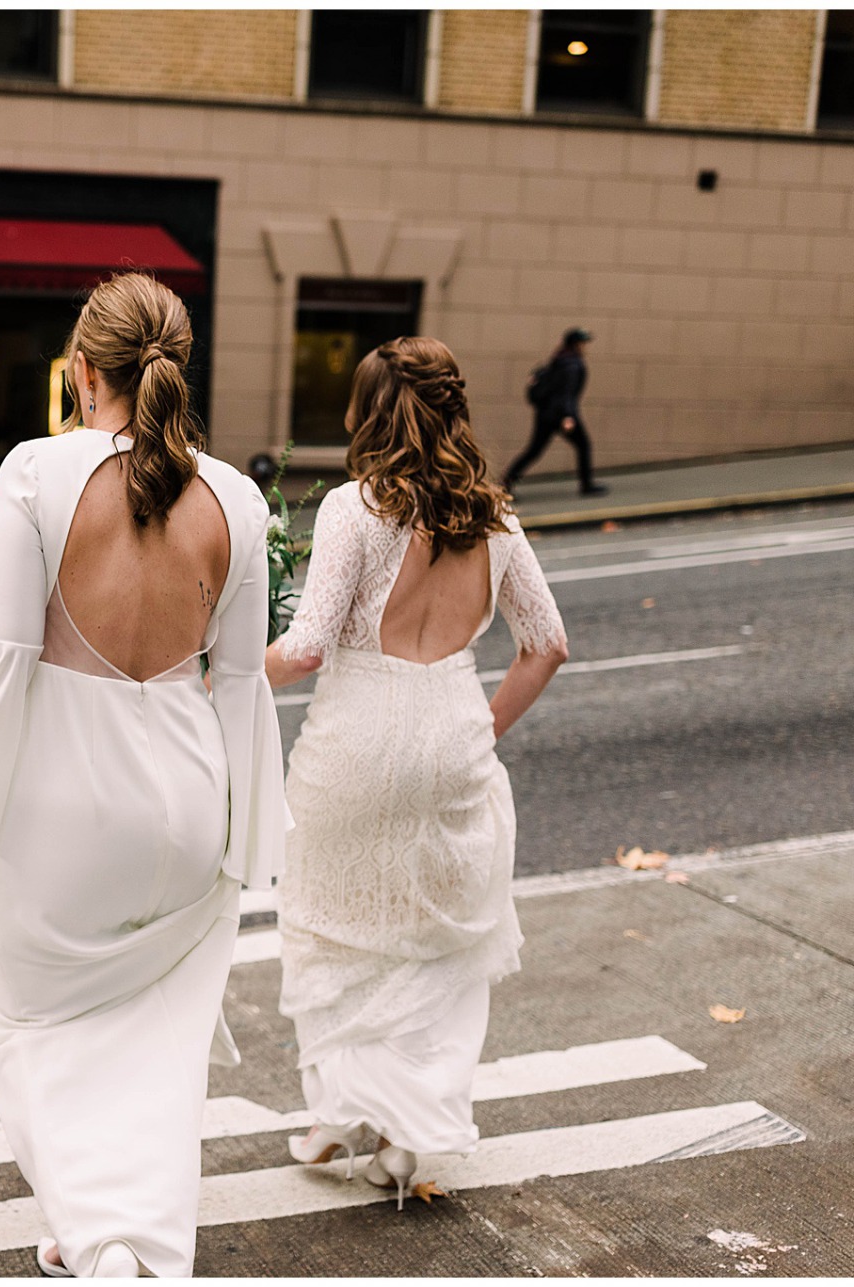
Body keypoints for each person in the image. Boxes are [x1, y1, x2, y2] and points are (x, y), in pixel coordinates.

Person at [0, 273, 287, 1277]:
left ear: (81, 371)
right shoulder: (241, 498)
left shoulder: (36, 474)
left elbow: (4, 656)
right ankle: (122, 1235)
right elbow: (241, 688)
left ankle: (108, 1244)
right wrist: (247, 832)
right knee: (158, 1042)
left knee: (33, 1026)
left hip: (64, 807)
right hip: (188, 797)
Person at [265, 337, 567, 1209]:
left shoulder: (351, 511)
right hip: (450, 734)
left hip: (356, 743)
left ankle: (334, 1113)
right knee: (434, 940)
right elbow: (547, 645)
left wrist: (228, 668)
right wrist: (482, 724)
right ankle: (401, 1137)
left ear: (367, 414)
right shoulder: (495, 518)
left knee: (334, 925)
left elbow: (312, 643)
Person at [504, 326, 606, 496]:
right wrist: (568, 416)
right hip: (559, 414)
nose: (585, 346)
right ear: (576, 344)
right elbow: (567, 393)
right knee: (583, 445)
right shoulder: (573, 364)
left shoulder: (559, 359)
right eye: (583, 343)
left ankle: (506, 483)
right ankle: (587, 485)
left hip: (545, 414)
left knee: (534, 450)